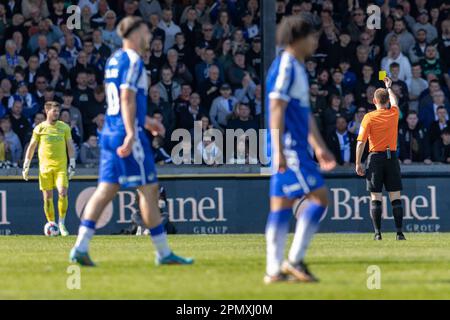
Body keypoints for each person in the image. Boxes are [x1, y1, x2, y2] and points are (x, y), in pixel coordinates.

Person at [69, 17, 193, 267]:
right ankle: (163, 253)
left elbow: (120, 103)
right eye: (146, 32)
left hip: (109, 132)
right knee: (149, 190)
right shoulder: (134, 60)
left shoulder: (113, 60)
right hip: (127, 133)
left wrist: (148, 121)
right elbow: (126, 98)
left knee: (105, 190)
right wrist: (132, 133)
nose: (149, 37)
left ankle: (80, 247)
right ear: (135, 33)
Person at [265, 14, 336, 284]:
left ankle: (273, 271)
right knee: (320, 198)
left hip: (292, 146)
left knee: (281, 206)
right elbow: (275, 107)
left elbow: (304, 114)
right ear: (299, 38)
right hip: (290, 148)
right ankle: (294, 260)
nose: (315, 41)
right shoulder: (287, 66)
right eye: (312, 36)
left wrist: (318, 146)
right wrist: (279, 148)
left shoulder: (296, 66)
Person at [355, 77, 406, 241]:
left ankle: (377, 233)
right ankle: (399, 233)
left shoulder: (368, 117)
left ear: (374, 100)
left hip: (375, 158)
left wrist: (357, 162)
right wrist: (389, 87)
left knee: (376, 197)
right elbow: (395, 101)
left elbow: (361, 142)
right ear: (387, 101)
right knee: (395, 197)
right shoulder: (393, 113)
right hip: (391, 157)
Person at [22, 101, 76, 236]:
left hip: (60, 168)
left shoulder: (64, 127)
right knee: (47, 198)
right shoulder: (39, 128)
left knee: (63, 192)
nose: (57, 113)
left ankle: (62, 223)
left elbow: (70, 146)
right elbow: (32, 147)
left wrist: (72, 163)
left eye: (58, 111)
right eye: (54, 111)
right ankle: (52, 224)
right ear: (47, 112)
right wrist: (26, 165)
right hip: (45, 168)